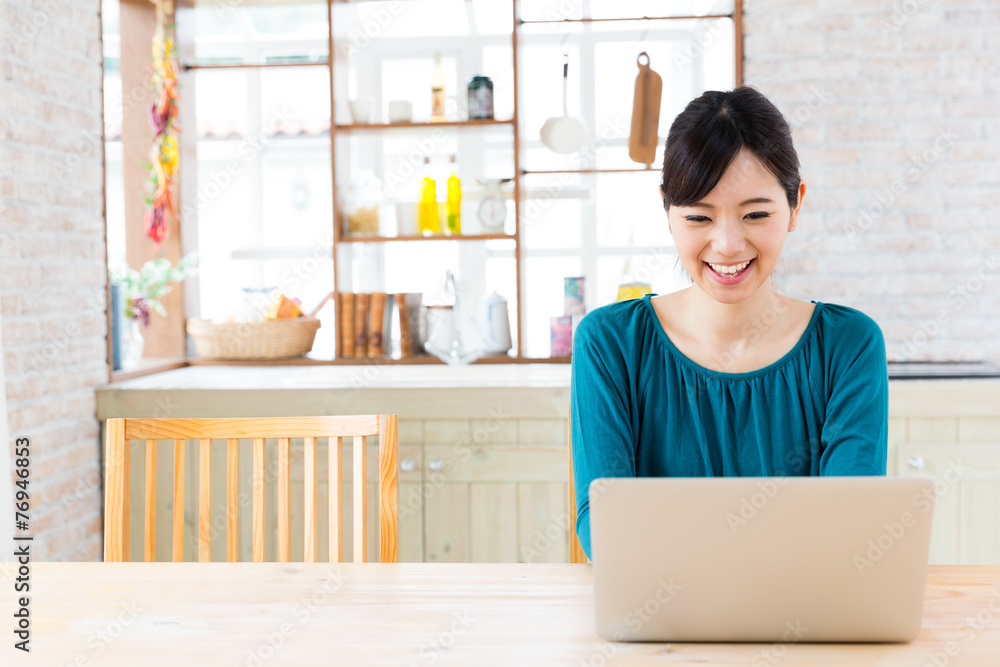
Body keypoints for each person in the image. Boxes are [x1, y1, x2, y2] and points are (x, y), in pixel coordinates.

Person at [570, 86, 888, 561]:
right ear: (667, 211)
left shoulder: (848, 346)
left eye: (756, 214)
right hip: (662, 621)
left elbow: (847, 528)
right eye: (699, 216)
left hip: (803, 624)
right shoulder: (609, 344)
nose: (727, 245)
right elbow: (606, 525)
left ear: (795, 205)